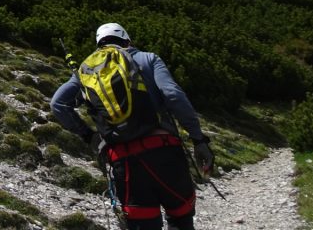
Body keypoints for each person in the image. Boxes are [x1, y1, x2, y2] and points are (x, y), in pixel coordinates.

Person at [50, 23, 215, 229]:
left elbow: (57, 104)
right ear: (127, 40)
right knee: (180, 219)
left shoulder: (85, 72)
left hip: (124, 162)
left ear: (99, 44)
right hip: (165, 152)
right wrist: (198, 139)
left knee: (142, 224)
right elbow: (173, 96)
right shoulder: (147, 59)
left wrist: (88, 136)